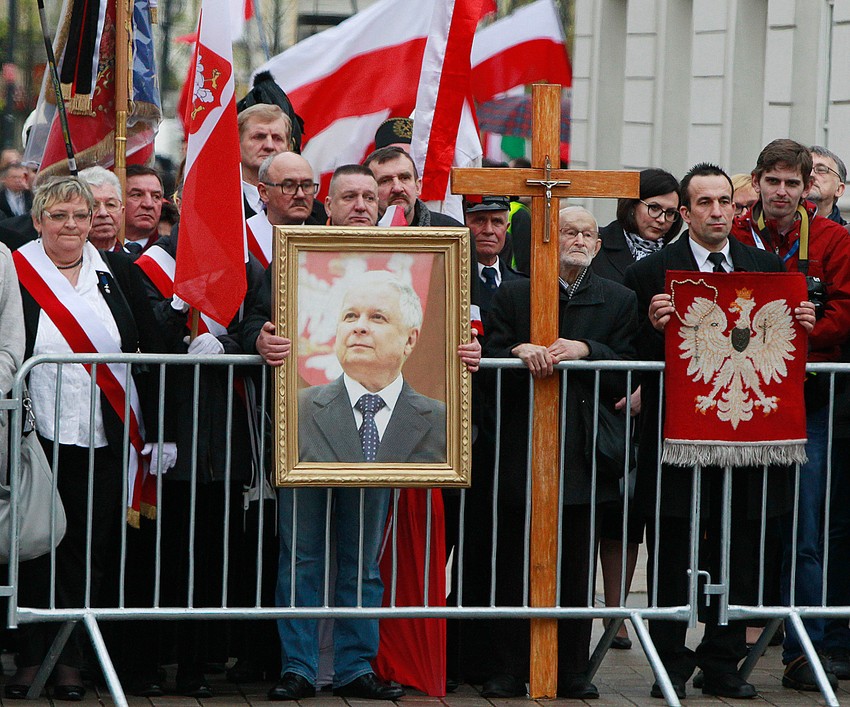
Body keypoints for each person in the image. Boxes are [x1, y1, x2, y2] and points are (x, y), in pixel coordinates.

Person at [625, 162, 816, 700]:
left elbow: (786, 343)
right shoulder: (653, 272)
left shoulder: (765, 266)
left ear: (736, 209)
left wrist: (801, 322)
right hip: (677, 441)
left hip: (747, 440)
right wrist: (651, 324)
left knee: (743, 547)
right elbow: (629, 355)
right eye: (704, 203)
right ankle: (670, 662)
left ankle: (723, 660)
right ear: (684, 213)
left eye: (724, 202)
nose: (716, 212)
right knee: (673, 548)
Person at [7, 176, 165, 701]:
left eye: (80, 215)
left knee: (85, 546)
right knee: (36, 545)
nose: (71, 225)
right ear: (38, 222)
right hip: (36, 434)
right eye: (59, 216)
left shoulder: (115, 271)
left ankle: (70, 661)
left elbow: (148, 342)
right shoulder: (15, 268)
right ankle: (32, 658)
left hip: (101, 433)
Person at [481, 205, 639, 700]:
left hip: (583, 448)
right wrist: (516, 352)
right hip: (520, 445)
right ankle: (507, 668)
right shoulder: (513, 292)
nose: (578, 240)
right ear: (546, 244)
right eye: (568, 231)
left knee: (574, 564)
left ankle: (571, 669)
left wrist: (586, 350)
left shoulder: (618, 298)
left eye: (587, 234)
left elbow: (631, 362)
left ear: (598, 245)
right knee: (511, 561)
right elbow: (486, 355)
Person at [731, 139, 850, 691]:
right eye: (773, 182)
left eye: (793, 184)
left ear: (808, 189)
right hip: (736, 395)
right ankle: (720, 645)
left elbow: (846, 309)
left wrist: (811, 329)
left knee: (806, 524)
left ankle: (806, 652)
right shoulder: (731, 232)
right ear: (756, 182)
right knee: (733, 522)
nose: (782, 193)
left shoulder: (832, 239)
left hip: (809, 398)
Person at [590, 167, 681, 650]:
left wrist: (652, 384)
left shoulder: (677, 259)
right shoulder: (600, 243)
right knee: (609, 509)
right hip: (604, 394)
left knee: (642, 508)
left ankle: (625, 610)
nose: (662, 220)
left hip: (659, 400)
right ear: (632, 205)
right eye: (653, 209)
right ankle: (610, 610)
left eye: (670, 212)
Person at [246, 151, 323, 268]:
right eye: (288, 185)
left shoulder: (325, 240)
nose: (301, 194)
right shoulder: (243, 241)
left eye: (307, 185)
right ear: (264, 192)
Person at [238, 104, 293, 218]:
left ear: (288, 147)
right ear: (237, 144)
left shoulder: (313, 215)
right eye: (259, 137)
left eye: (277, 138)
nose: (269, 146)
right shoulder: (212, 202)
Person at [79, 166, 124, 252]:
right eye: (93, 205)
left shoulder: (135, 264)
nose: (103, 213)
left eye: (111, 205)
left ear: (122, 212)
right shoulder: (56, 263)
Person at [123, 165, 164, 255]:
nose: (148, 204)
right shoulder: (96, 249)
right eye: (137, 195)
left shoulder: (171, 253)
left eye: (156, 196)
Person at [807, 145, 847, 227]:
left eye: (821, 170)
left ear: (839, 189)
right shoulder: (778, 231)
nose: (810, 175)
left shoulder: (846, 236)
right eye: (806, 169)